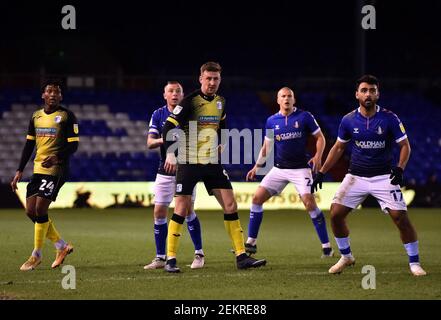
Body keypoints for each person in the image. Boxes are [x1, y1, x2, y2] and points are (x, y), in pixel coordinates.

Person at [311, 75, 427, 276]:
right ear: (357, 94)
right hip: (356, 176)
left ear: (377, 94)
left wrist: (400, 169)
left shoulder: (390, 118)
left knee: (400, 218)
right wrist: (322, 172)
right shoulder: (348, 120)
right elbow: (338, 148)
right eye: (364, 90)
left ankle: (414, 263)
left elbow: (405, 146)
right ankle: (346, 256)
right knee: (336, 214)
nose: (368, 94)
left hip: (384, 177)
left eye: (372, 90)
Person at [162, 61, 266, 272]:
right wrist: (171, 154)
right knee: (181, 208)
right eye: (208, 78)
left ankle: (241, 257)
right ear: (201, 79)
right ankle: (170, 260)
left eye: (215, 79)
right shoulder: (189, 101)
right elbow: (168, 126)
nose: (211, 83)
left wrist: (222, 143)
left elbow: (223, 125)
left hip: (211, 162)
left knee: (231, 205)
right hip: (189, 161)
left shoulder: (221, 102)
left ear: (220, 80)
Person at [246, 87, 334, 258]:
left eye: (289, 96)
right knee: (257, 198)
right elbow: (266, 147)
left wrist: (318, 156)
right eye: (283, 96)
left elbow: (320, 138)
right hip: (279, 169)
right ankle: (251, 241)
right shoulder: (271, 120)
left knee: (309, 203)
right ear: (278, 100)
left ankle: (327, 246)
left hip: (300, 168)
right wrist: (257, 166)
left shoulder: (304, 116)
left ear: (294, 100)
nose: (286, 99)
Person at [10, 80, 79, 271]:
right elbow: (29, 145)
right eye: (49, 91)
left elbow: (74, 145)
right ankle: (61, 246)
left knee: (40, 209)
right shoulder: (36, 117)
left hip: (57, 170)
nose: (53, 94)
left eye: (57, 92)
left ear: (61, 96)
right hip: (38, 169)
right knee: (30, 211)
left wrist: (57, 157)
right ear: (43, 95)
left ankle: (36, 255)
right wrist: (19, 169)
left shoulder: (67, 116)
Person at [144, 81, 205, 270]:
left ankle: (199, 254)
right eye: (171, 91)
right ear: (165, 95)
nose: (175, 94)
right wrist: (167, 138)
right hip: (165, 169)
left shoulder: (190, 112)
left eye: (178, 91)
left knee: (187, 211)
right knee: (159, 212)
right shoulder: (158, 114)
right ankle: (160, 257)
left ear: (182, 94)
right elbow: (150, 143)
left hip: (186, 169)